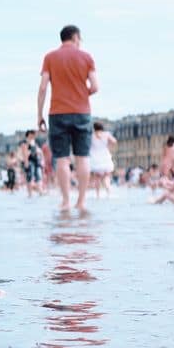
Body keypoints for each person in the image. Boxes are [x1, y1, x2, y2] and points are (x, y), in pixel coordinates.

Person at [37, 25, 99, 213]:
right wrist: (82, 94)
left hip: (58, 112)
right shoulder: (86, 57)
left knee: (62, 159)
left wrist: (39, 115)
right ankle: (81, 201)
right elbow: (95, 86)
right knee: (82, 157)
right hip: (82, 112)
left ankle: (65, 201)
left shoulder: (50, 57)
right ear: (75, 37)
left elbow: (43, 88)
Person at [89, 122, 118, 197]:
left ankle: (97, 194)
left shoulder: (91, 135)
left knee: (97, 178)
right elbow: (114, 141)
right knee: (106, 176)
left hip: (95, 157)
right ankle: (108, 191)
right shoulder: (106, 134)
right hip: (105, 155)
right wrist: (108, 146)